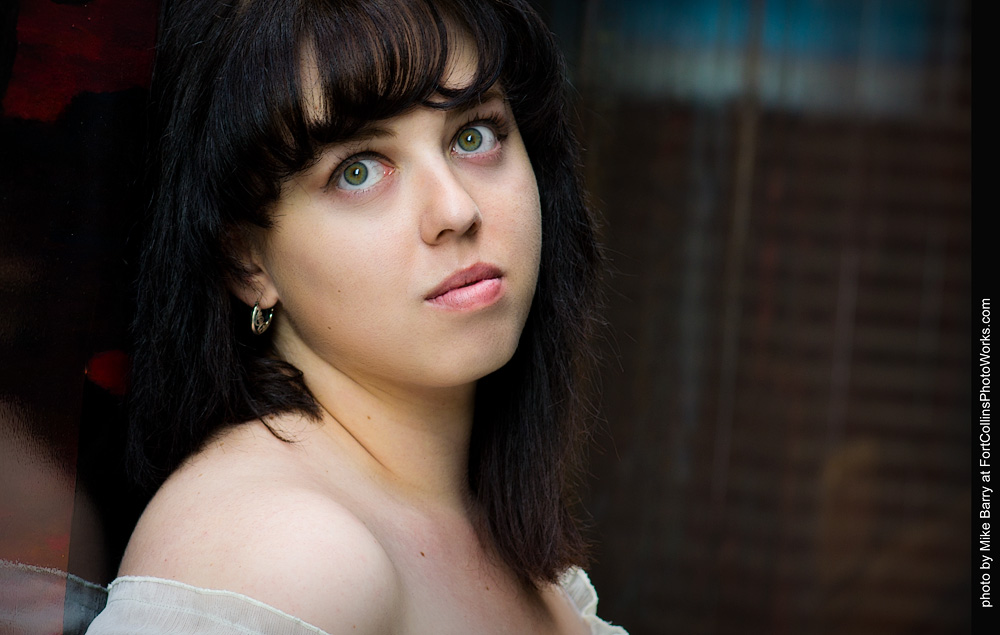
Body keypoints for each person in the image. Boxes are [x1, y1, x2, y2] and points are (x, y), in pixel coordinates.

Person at [87, 0, 625, 633]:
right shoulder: (279, 550)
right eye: (359, 170)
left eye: (474, 135)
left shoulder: (502, 535)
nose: (456, 210)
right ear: (246, 262)